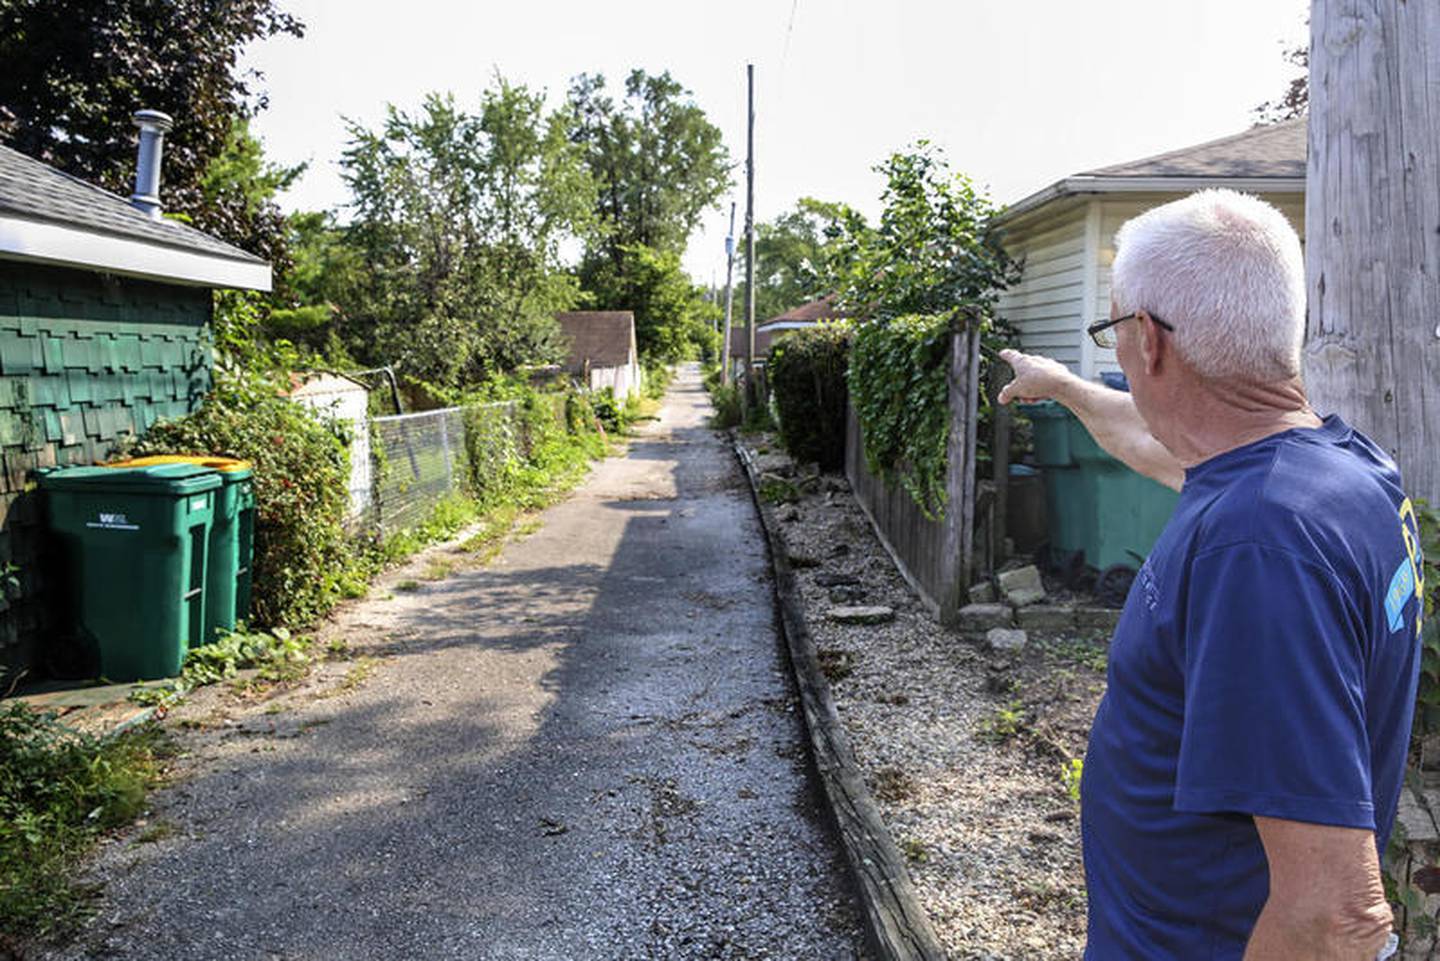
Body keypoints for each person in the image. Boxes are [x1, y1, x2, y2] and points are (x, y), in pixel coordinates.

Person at [997, 189, 1422, 960]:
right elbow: (1160, 441)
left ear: (1149, 342)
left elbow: (1339, 918)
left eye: (1115, 329)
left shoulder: (1260, 546)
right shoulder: (1339, 473)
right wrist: (1061, 384)